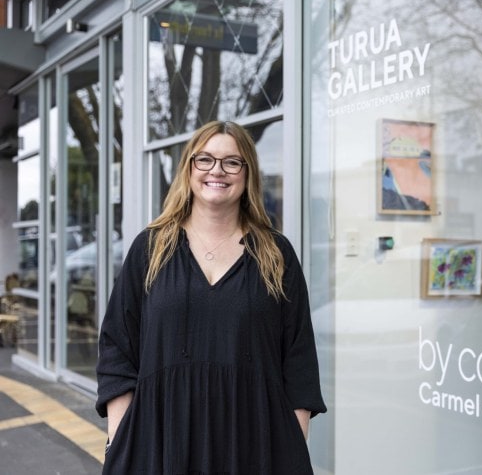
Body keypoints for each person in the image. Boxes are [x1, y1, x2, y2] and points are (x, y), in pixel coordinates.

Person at [96, 120, 326, 474]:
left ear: (247, 173)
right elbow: (117, 347)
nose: (217, 170)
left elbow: (299, 361)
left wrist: (291, 444)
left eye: (232, 162)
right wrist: (120, 436)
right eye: (205, 160)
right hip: (160, 441)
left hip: (255, 444)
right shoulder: (151, 248)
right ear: (189, 169)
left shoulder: (276, 254)